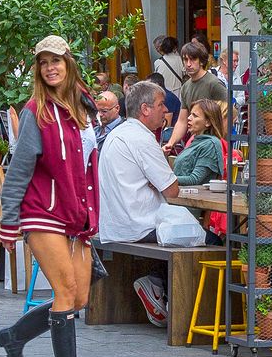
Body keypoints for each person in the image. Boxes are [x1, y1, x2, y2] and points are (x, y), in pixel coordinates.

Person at [0, 35, 100, 357]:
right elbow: (19, 170)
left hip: (76, 216)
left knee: (80, 298)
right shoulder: (35, 112)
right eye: (43, 62)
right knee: (65, 291)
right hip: (43, 212)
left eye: (56, 60)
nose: (50, 67)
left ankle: (14, 336)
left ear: (70, 63)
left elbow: (87, 167)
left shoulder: (85, 108)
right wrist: (8, 222)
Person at [97, 80, 179, 244]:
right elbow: (172, 191)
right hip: (141, 228)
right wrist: (158, 181)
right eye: (160, 104)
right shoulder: (142, 138)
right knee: (214, 242)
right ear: (145, 109)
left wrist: (155, 181)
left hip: (114, 228)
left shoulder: (118, 133)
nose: (166, 110)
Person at [166, 42, 227, 154]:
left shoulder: (214, 84)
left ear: (202, 61)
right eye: (185, 60)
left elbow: (227, 116)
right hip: (196, 143)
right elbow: (182, 121)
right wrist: (171, 143)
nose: (188, 64)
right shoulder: (185, 87)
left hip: (214, 146)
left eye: (193, 59)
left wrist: (217, 144)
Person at [173, 99, 226, 187]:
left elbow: (195, 179)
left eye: (195, 115)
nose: (189, 118)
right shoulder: (197, 140)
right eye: (190, 114)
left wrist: (166, 179)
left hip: (197, 198)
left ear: (208, 122)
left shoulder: (210, 144)